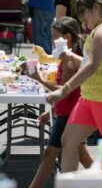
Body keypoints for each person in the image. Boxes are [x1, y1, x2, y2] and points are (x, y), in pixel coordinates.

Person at [47, 0, 102, 172]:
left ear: (95, 7)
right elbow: (90, 62)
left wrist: (64, 90)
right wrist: (71, 57)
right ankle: (68, 185)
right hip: (89, 99)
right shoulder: (98, 30)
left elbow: (92, 66)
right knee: (68, 141)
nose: (82, 20)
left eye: (83, 13)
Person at [27, 17, 92, 187]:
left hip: (70, 112)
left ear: (67, 37)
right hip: (69, 111)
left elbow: (63, 89)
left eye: (56, 36)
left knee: (50, 153)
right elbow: (65, 91)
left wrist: (39, 79)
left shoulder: (70, 60)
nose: (53, 40)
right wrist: (51, 112)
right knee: (81, 152)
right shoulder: (70, 57)